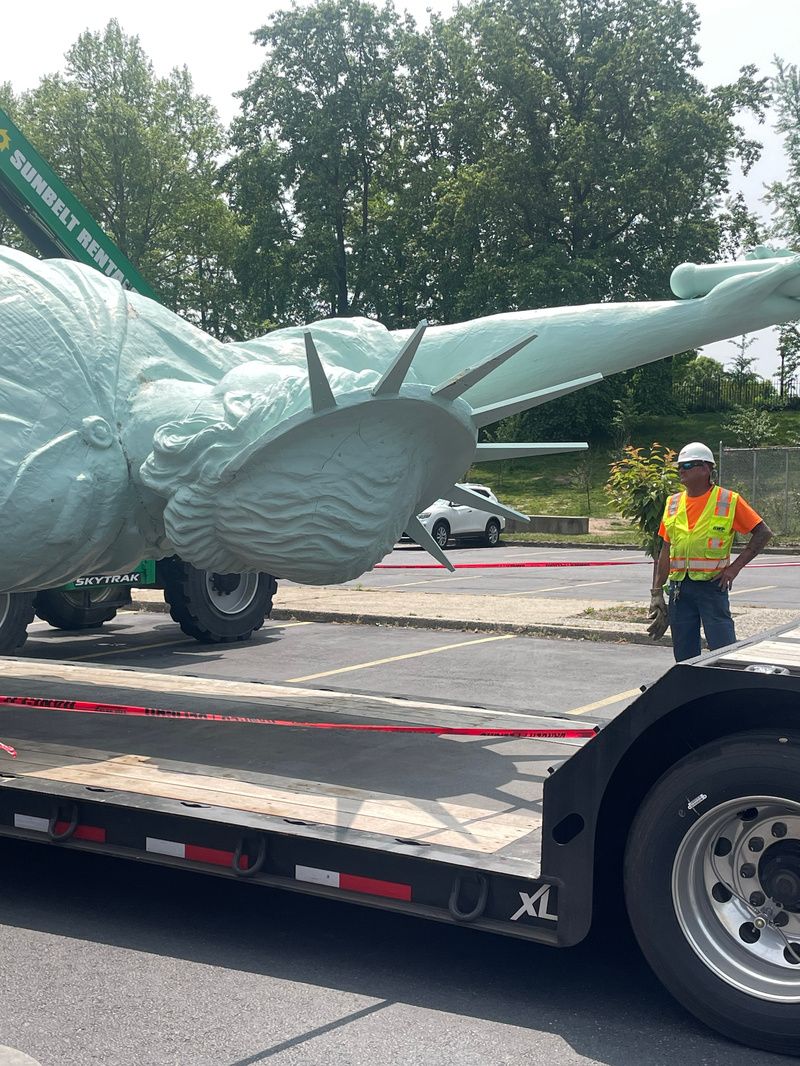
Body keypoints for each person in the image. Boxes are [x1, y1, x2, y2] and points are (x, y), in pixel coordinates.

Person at [647, 442, 772, 660]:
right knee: (685, 656)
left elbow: (763, 533)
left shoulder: (728, 500)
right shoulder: (673, 503)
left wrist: (733, 569)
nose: (681, 470)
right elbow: (665, 549)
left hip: (712, 587)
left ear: (706, 468)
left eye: (687, 465)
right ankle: (691, 683)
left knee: (723, 651)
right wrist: (656, 592)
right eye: (679, 466)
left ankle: (724, 683)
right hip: (679, 590)